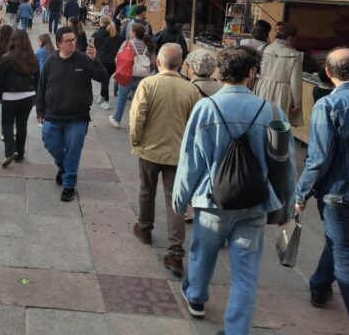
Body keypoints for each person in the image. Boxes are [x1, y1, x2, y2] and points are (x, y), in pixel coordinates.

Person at [173, 46, 296, 334]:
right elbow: (286, 165)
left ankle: (196, 298)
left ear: (220, 72)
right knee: (246, 272)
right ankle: (236, 329)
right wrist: (286, 207)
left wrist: (179, 201)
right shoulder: (272, 111)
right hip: (254, 203)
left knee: (202, 254)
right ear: (251, 73)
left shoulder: (206, 108)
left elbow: (190, 159)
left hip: (212, 200)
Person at [130, 43, 201, 276]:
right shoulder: (190, 89)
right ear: (180, 63)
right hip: (177, 153)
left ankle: (145, 227)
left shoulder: (148, 84)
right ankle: (175, 252)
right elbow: (194, 124)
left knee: (146, 191)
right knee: (175, 201)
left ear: (158, 62)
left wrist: (136, 140)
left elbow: (137, 116)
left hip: (150, 150)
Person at [295, 47, 349, 312]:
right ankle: (319, 285)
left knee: (341, 251)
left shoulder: (328, 105)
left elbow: (318, 158)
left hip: (337, 193)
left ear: (327, 73)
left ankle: (319, 285)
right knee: (338, 244)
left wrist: (301, 194)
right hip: (338, 192)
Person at [36, 26, 105, 202]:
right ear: (59, 43)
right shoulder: (51, 62)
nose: (72, 43)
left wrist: (95, 60)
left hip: (78, 116)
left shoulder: (84, 59)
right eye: (68, 41)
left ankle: (69, 185)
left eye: (73, 40)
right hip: (53, 115)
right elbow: (41, 87)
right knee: (50, 143)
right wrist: (39, 111)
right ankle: (64, 168)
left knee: (73, 150)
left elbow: (102, 77)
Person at [0, 30, 39, 167]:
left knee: (7, 124)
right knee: (22, 124)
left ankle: (10, 151)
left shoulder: (7, 57)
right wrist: (36, 95)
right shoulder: (33, 57)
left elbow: (0, 78)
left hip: (10, 95)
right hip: (28, 95)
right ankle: (20, 153)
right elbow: (37, 78)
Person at [254, 22, 304, 126]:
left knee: (260, 121)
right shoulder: (295, 55)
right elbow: (296, 82)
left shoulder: (264, 49)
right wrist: (297, 103)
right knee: (277, 125)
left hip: (262, 88)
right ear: (290, 38)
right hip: (282, 93)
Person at [110, 23, 155, 128]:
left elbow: (118, 58)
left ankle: (117, 120)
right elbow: (153, 62)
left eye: (131, 30)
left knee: (122, 99)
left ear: (133, 33)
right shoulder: (148, 45)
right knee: (138, 102)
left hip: (127, 76)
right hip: (142, 78)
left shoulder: (127, 44)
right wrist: (146, 71)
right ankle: (135, 123)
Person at [92, 15, 121, 111]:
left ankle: (106, 100)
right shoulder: (117, 35)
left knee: (104, 80)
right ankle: (102, 96)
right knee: (106, 80)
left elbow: (91, 46)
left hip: (100, 61)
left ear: (101, 22)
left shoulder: (96, 34)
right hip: (113, 62)